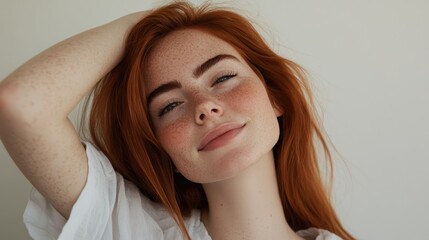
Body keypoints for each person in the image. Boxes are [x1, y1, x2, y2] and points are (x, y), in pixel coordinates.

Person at [0, 1, 354, 239]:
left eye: (223, 78)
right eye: (169, 106)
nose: (205, 107)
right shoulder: (129, 227)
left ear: (274, 96)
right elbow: (21, 104)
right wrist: (148, 21)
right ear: (161, 149)